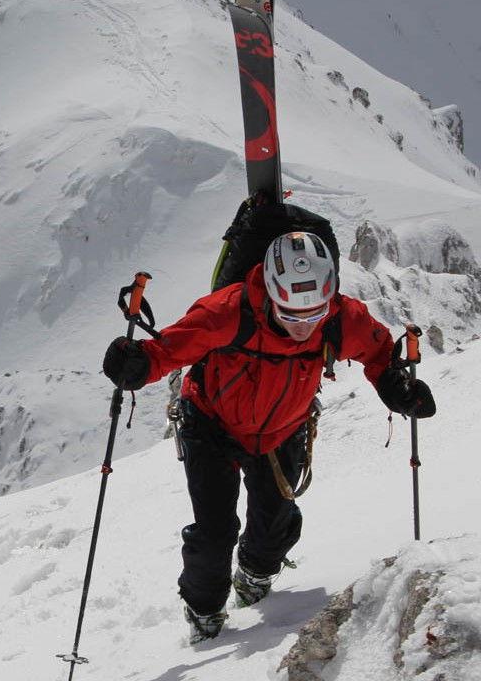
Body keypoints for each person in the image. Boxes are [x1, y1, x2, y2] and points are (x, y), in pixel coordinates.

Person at [102, 231, 436, 643]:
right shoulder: (228, 311)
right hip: (211, 423)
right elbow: (171, 348)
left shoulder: (340, 319)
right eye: (291, 316)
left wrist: (394, 386)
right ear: (270, 295)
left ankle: (256, 573)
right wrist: (136, 366)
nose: (303, 327)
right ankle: (204, 611)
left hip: (282, 427)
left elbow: (378, 351)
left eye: (313, 316)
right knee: (214, 533)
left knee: (273, 524)